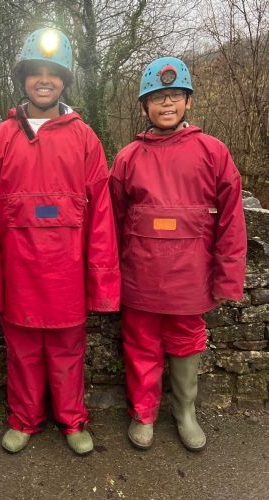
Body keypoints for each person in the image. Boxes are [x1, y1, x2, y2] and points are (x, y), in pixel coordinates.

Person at [0, 28, 120, 456]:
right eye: (35, 72)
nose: (44, 80)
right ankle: (24, 419)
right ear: (23, 79)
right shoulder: (0, 139)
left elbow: (102, 215)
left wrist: (101, 280)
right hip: (18, 274)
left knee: (67, 352)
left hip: (67, 277)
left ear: (64, 80)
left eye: (52, 73)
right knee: (21, 353)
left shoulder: (85, 138)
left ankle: (72, 420)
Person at [109, 56, 247, 451]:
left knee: (187, 342)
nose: (166, 103)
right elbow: (112, 223)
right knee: (140, 345)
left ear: (188, 101)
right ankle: (143, 413)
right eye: (157, 97)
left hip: (191, 279)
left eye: (174, 95)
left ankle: (185, 411)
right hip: (140, 279)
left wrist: (227, 279)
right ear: (144, 107)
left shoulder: (213, 152)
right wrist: (109, 278)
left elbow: (232, 222)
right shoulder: (127, 158)